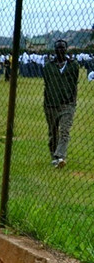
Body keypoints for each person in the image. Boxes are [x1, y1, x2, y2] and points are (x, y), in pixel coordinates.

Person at [42, 39, 80, 169]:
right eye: (58, 48)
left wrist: (71, 99)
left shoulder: (73, 66)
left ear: (66, 49)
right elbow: (47, 83)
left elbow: (74, 82)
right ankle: (54, 155)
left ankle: (60, 156)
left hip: (67, 104)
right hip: (51, 104)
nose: (60, 50)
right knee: (53, 132)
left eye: (63, 48)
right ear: (54, 50)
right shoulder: (48, 66)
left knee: (64, 130)